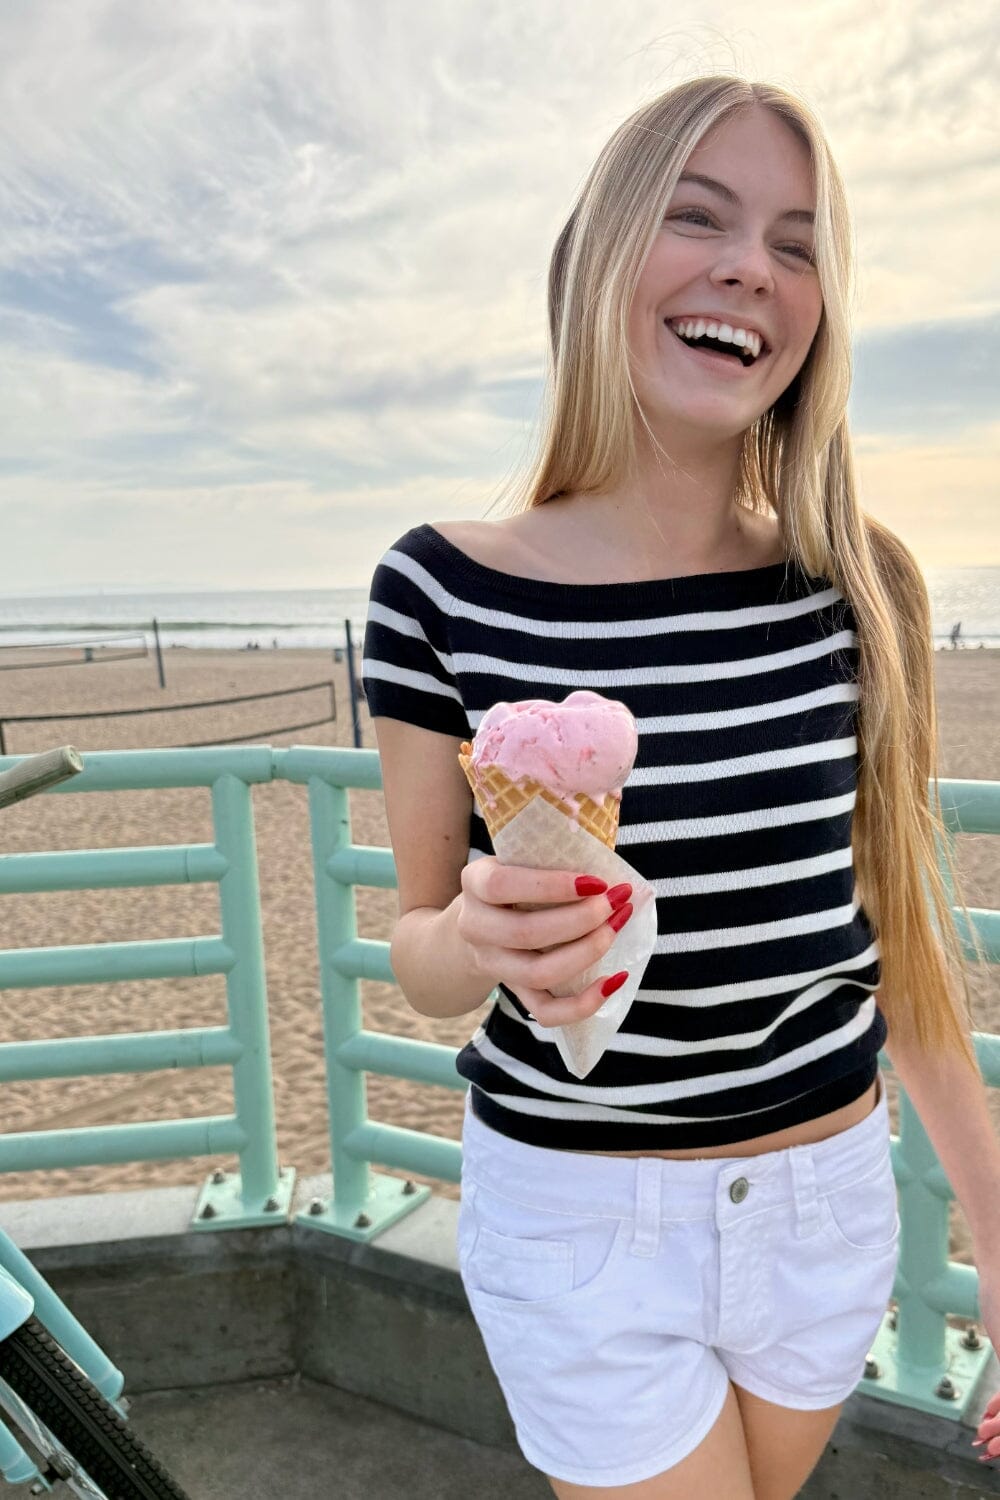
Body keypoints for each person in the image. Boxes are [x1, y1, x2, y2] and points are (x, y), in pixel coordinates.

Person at [362, 76, 998, 1498]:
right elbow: (419, 956)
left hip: (828, 1206)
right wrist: (479, 933)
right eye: (698, 219)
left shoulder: (863, 584)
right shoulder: (438, 586)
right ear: (599, 256)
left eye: (795, 241)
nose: (747, 270)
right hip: (581, 1217)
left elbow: (905, 947)